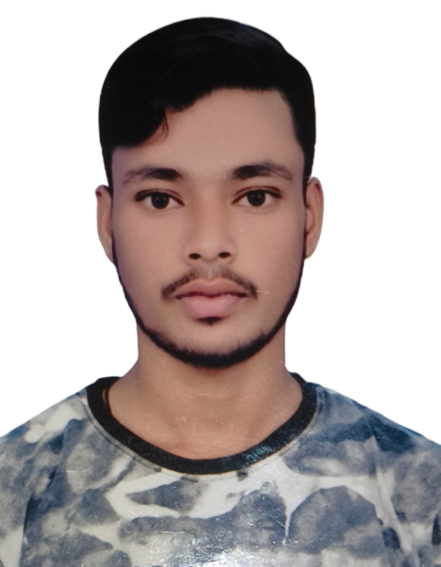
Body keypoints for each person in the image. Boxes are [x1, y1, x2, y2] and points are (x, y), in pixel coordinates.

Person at [0, 16, 440, 567]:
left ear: (309, 216)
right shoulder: (14, 495)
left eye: (255, 196)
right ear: (108, 223)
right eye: (161, 199)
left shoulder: (422, 497)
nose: (209, 245)